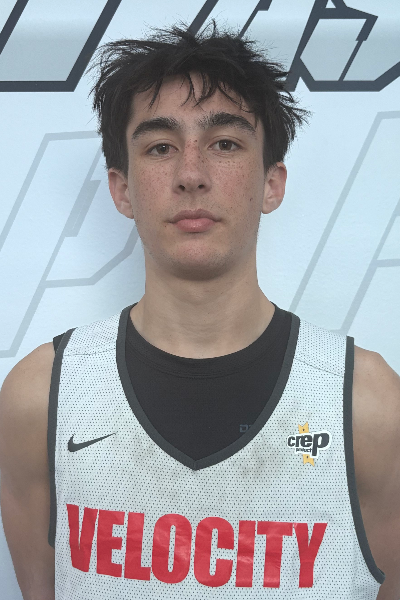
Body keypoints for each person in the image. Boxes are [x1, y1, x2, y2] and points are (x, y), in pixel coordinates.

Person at [0, 21, 399, 600]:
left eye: (225, 143)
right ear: (122, 189)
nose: (191, 175)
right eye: (160, 147)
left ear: (272, 183)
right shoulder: (41, 398)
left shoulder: (370, 406)